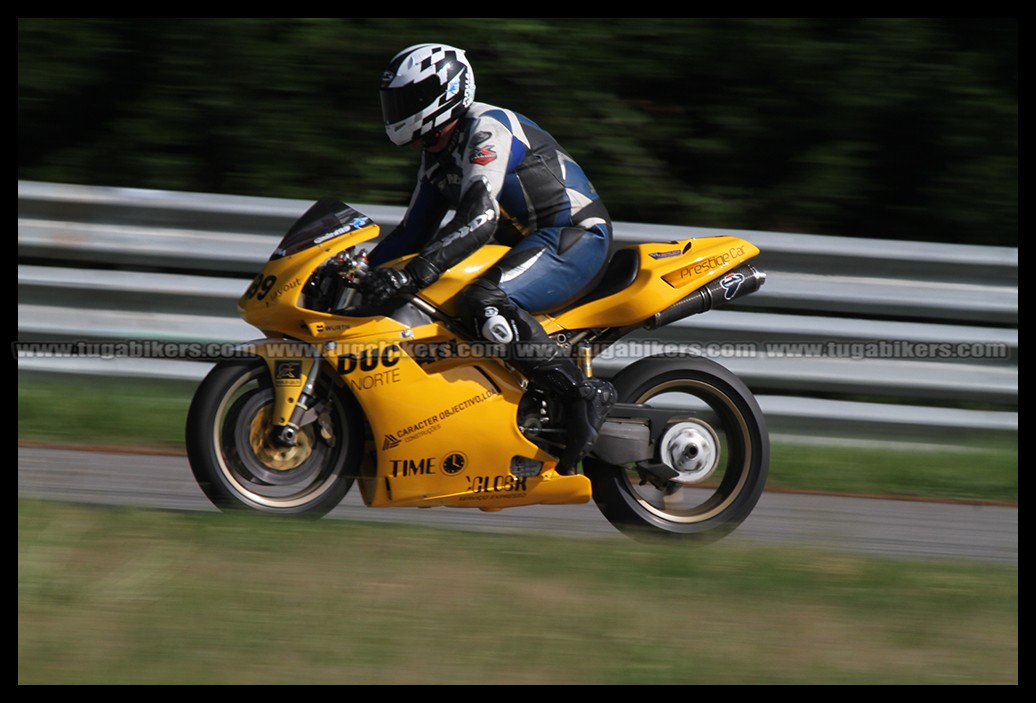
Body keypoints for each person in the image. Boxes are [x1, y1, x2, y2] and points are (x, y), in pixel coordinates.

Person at [363, 43, 616, 475]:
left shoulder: (486, 128)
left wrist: (416, 272)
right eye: (395, 101)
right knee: (435, 304)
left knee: (483, 301)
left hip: (573, 236)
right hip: (526, 243)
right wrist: (362, 271)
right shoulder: (438, 153)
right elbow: (412, 233)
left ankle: (582, 394)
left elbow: (479, 218)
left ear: (441, 94)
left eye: (406, 100)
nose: (397, 110)